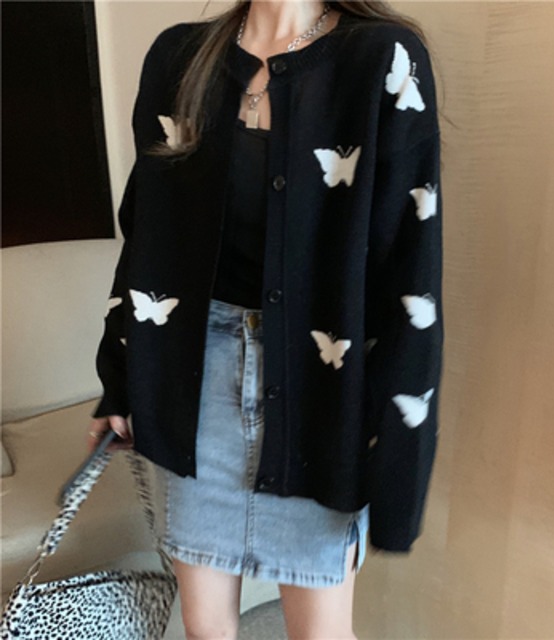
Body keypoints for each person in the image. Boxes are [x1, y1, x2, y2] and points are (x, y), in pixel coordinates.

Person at [87, 1, 444, 638]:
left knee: (320, 632)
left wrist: (399, 455)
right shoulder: (179, 57)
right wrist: (118, 376)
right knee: (205, 628)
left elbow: (410, 267)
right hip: (197, 381)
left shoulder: (381, 58)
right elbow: (146, 235)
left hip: (321, 389)